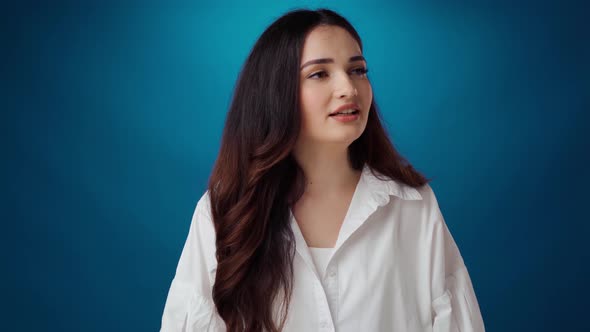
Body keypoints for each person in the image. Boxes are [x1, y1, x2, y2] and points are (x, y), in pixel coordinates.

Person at [160, 8, 485, 332]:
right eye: (319, 74)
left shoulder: (413, 206)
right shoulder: (225, 211)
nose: (348, 87)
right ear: (276, 92)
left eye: (358, 70)